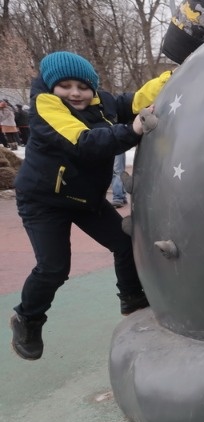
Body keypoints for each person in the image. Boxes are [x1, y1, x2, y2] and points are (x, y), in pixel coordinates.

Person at [10, 51, 170, 360]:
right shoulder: (45, 108)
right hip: (45, 201)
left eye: (82, 86)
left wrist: (170, 78)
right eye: (65, 85)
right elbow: (83, 142)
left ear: (92, 88)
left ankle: (132, 300)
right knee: (54, 267)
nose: (75, 93)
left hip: (85, 198)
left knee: (125, 243)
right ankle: (28, 319)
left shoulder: (103, 102)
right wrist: (132, 130)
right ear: (50, 86)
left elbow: (134, 101)